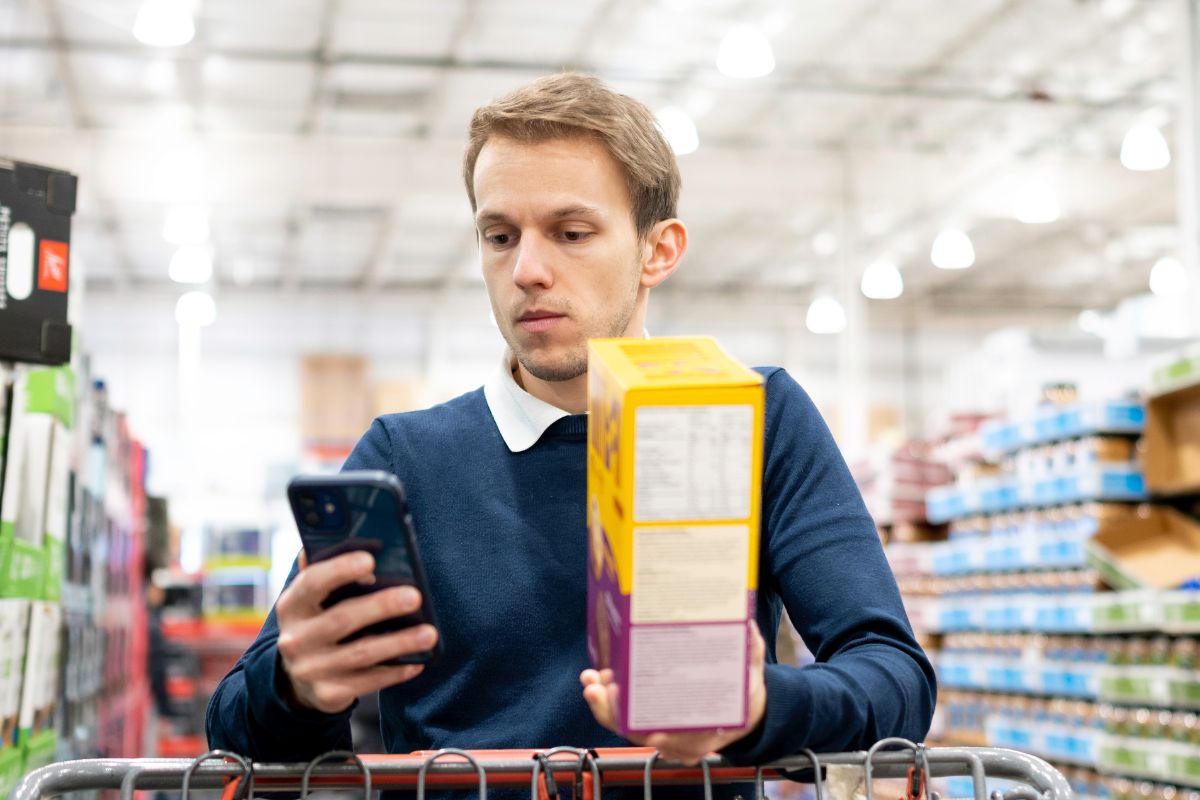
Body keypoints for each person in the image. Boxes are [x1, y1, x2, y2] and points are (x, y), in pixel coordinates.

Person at [206, 73, 935, 777]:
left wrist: (759, 711)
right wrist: (295, 686)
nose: (526, 269)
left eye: (571, 232)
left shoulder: (752, 416)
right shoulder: (406, 459)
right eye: (499, 236)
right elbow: (236, 726)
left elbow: (893, 676)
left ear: (659, 250)